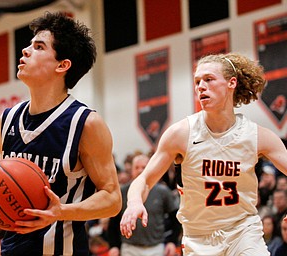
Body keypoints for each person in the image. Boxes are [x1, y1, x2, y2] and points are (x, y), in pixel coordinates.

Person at [0, 11, 122, 256]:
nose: (25, 51)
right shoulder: (8, 119)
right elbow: (10, 193)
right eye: (29, 45)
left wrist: (61, 211)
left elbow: (112, 199)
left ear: (62, 65)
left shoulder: (86, 123)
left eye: (39, 47)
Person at [120, 52, 287, 256]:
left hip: (243, 231)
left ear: (231, 83)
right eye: (197, 81)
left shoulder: (258, 136)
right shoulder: (180, 134)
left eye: (208, 79)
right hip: (199, 238)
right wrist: (135, 202)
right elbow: (144, 180)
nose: (200, 86)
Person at [108, 154, 180, 256]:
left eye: (144, 167)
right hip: (129, 247)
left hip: (156, 247)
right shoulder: (122, 192)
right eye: (137, 167)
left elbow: (176, 219)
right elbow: (113, 222)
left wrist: (172, 242)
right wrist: (113, 246)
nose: (140, 170)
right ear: (131, 170)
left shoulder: (162, 191)